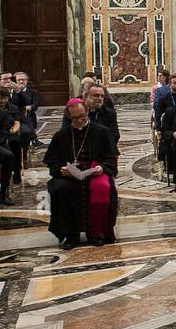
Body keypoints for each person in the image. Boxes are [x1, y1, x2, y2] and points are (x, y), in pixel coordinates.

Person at [43, 98, 119, 249]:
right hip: (70, 176)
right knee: (62, 189)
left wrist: (102, 168)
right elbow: (52, 162)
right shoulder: (61, 135)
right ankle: (71, 235)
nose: (79, 120)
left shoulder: (102, 132)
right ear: (68, 117)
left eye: (83, 116)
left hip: (95, 173)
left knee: (103, 186)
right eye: (75, 118)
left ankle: (98, 233)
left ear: (87, 112)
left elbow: (111, 158)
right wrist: (61, 170)